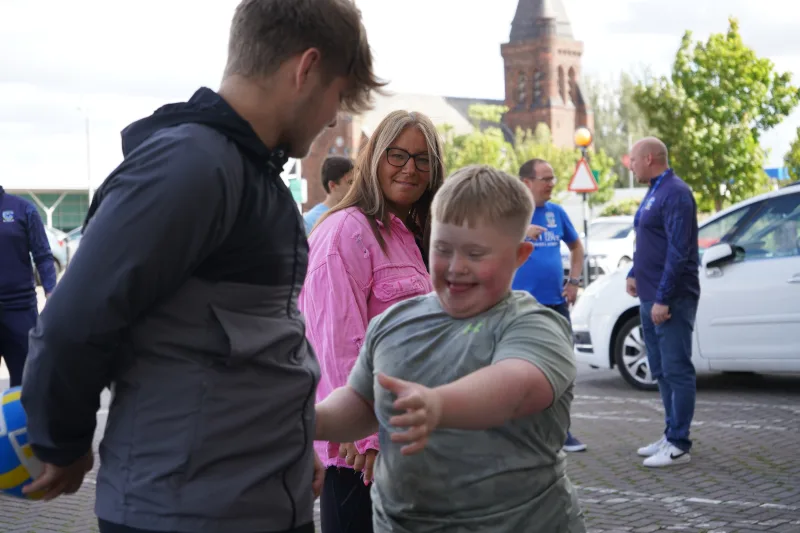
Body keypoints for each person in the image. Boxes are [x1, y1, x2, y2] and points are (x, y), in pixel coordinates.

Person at [20, 1, 383, 532]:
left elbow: (255, 346)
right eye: (338, 95)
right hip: (186, 512)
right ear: (305, 69)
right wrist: (63, 441)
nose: (333, 118)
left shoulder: (252, 173)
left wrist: (290, 439)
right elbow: (74, 321)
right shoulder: (192, 166)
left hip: (253, 498)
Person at [315, 165, 585, 533]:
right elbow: (361, 403)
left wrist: (438, 406)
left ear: (520, 255)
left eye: (476, 253)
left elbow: (516, 386)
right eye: (443, 249)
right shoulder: (394, 322)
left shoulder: (535, 325)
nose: (456, 268)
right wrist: (303, 420)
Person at [299, 110, 445, 533]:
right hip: (361, 456)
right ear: (374, 158)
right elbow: (333, 343)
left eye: (422, 159)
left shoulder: (412, 235)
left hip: (409, 442)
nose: (409, 168)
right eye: (397, 155)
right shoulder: (345, 230)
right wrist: (362, 436)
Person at [626, 137, 700, 468]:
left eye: (633, 159)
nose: (630, 164)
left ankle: (679, 443)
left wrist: (663, 298)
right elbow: (649, 238)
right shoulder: (655, 190)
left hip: (669, 298)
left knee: (676, 367)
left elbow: (679, 249)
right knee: (660, 370)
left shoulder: (676, 192)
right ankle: (670, 433)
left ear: (651, 157)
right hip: (649, 294)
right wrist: (633, 271)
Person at [514, 158, 587, 453]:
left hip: (556, 306)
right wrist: (520, 234)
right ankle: (523, 433)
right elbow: (489, 249)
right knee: (524, 372)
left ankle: (562, 431)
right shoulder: (510, 214)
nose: (551, 184)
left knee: (563, 369)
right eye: (545, 178)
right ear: (526, 183)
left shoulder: (556, 213)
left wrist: (574, 281)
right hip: (522, 308)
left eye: (553, 178)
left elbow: (576, 247)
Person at [0, 186, 57, 387]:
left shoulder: (23, 209)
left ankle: (22, 419)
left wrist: (52, 295)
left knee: (26, 384)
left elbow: (43, 256)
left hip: (20, 312)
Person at [304, 156, 354, 234]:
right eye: (350, 182)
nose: (354, 187)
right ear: (332, 185)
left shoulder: (355, 215)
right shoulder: (310, 221)